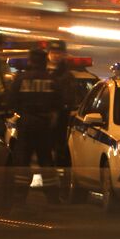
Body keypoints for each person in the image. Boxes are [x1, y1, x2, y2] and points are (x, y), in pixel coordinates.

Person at [9, 46, 62, 205]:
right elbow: (59, 102)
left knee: (23, 160)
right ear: (45, 62)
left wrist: (23, 113)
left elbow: (11, 100)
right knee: (46, 160)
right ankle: (52, 197)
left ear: (30, 61)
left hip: (26, 123)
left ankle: (20, 196)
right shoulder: (52, 80)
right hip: (44, 125)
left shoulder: (21, 79)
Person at [46, 39, 78, 168]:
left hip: (60, 117)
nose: (56, 55)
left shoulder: (67, 75)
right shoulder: (40, 71)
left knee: (60, 148)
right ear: (48, 53)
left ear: (64, 54)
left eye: (59, 52)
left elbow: (70, 97)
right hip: (42, 116)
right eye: (53, 52)